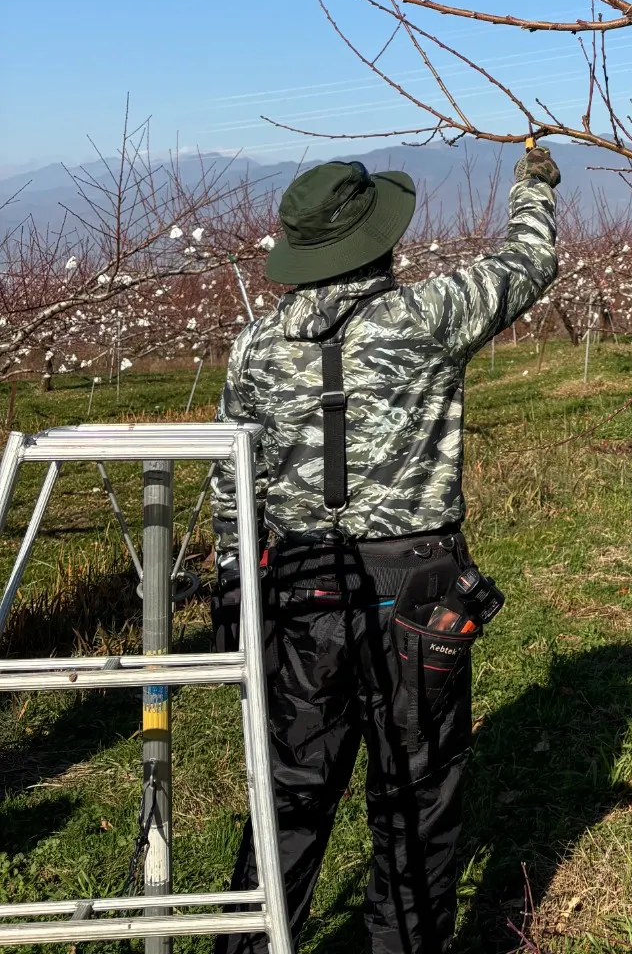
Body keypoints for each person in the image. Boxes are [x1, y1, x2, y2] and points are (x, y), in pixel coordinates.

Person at [208, 145, 561, 954]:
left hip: (299, 586)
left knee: (289, 796)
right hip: (417, 591)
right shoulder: (427, 315)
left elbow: (233, 485)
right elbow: (528, 260)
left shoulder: (255, 348)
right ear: (379, 239)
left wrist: (239, 586)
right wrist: (531, 184)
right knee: (414, 800)